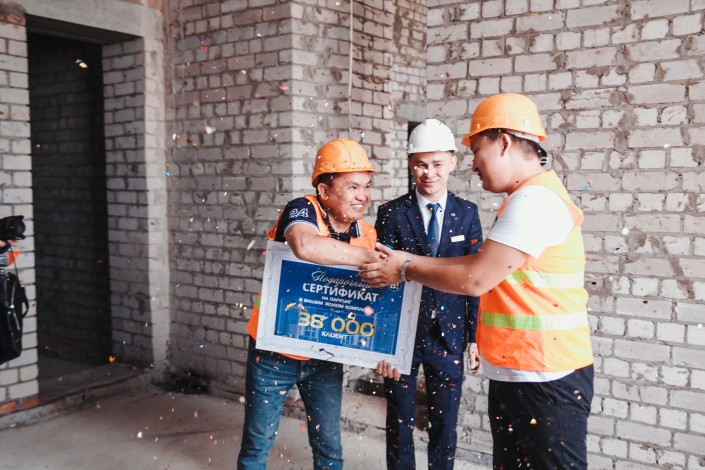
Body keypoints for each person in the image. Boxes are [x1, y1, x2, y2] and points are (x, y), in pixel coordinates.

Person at [365, 93, 594, 469]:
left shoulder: (534, 202)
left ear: (503, 143)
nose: (473, 164)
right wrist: (407, 264)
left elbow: (475, 279)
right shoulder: (525, 197)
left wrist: (405, 268)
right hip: (525, 371)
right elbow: (480, 263)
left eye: (476, 151)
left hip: (545, 375)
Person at [237, 138, 381, 470]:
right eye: (352, 186)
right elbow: (304, 245)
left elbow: (368, 302)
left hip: (324, 354)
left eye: (367, 186)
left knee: (329, 447)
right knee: (257, 445)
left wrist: (384, 352)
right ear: (324, 190)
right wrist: (373, 259)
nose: (363, 196)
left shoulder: (367, 233)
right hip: (274, 352)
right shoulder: (302, 209)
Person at [374, 119, 483, 469]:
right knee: (399, 423)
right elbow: (381, 281)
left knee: (445, 425)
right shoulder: (391, 213)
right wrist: (381, 343)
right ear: (410, 164)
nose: (429, 173)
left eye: (437, 164)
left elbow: (473, 278)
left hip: (448, 335)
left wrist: (474, 337)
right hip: (402, 335)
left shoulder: (467, 213)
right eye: (421, 164)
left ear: (453, 162)